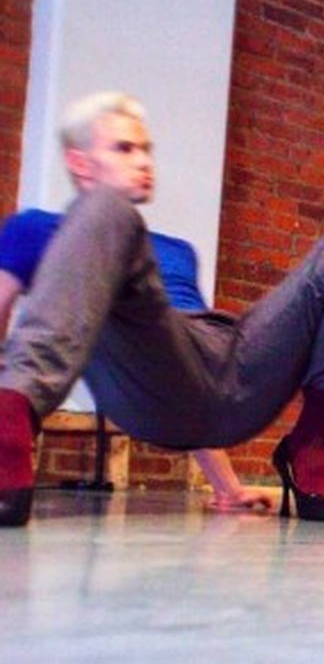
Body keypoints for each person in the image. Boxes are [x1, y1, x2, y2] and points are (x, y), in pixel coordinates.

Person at [0, 91, 324, 527]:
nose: (143, 161)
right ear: (80, 163)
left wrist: (227, 487)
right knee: (107, 208)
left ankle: (310, 440)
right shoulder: (37, 229)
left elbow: (194, 387)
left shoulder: (177, 250)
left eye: (146, 149)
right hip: (141, 377)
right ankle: (7, 426)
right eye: (124, 148)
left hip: (229, 359)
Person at [0, 208, 270, 512]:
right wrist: (228, 488)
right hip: (205, 336)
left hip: (180, 334)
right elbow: (186, 384)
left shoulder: (35, 229)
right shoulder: (177, 254)